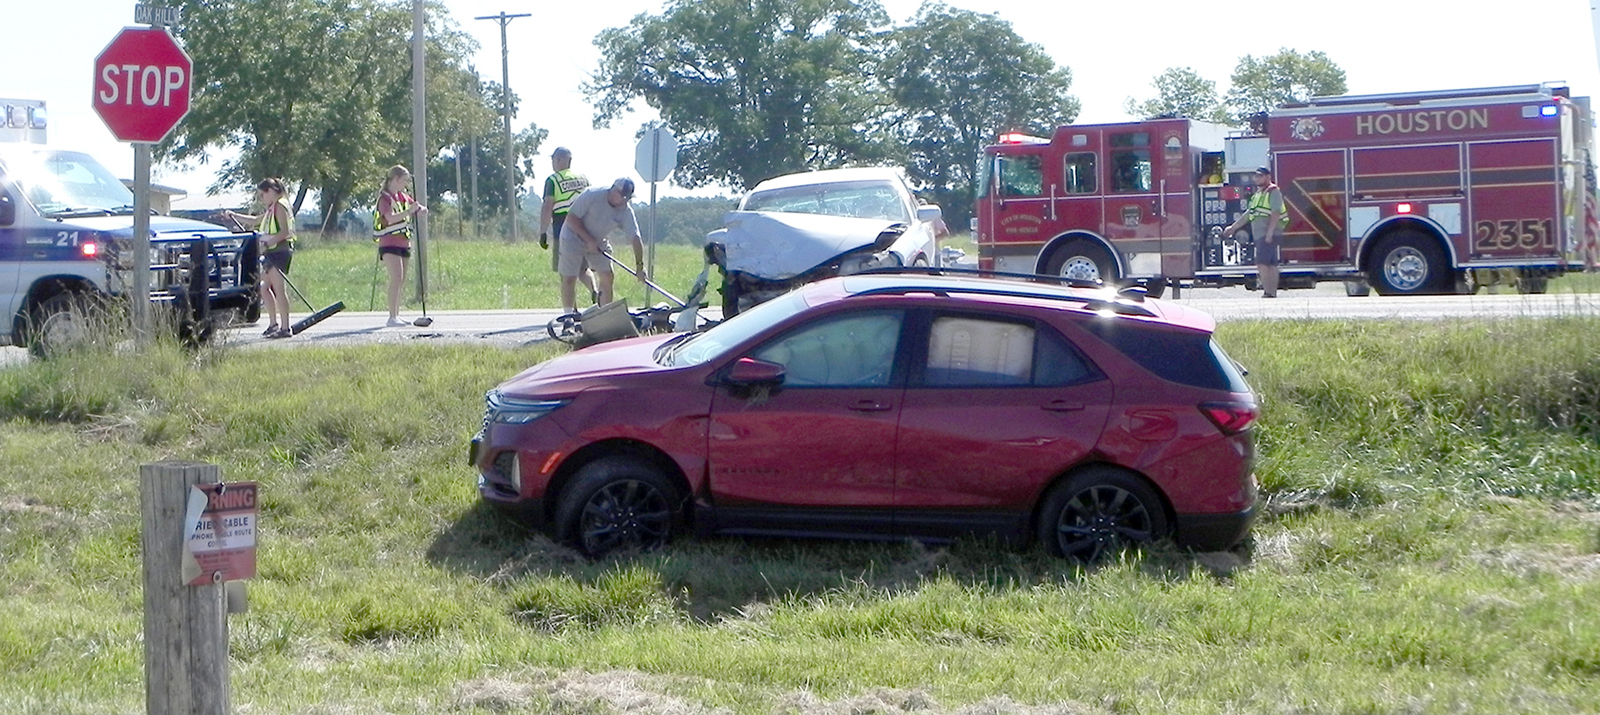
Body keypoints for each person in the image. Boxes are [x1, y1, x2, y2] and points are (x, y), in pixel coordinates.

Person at [559, 178, 645, 314]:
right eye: (623, 197)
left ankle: (604, 314)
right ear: (613, 190)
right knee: (570, 277)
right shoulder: (592, 195)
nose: (624, 201)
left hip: (598, 240)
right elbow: (571, 218)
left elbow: (635, 237)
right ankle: (568, 316)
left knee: (607, 275)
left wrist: (640, 266)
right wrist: (589, 240)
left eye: (628, 198)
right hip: (573, 236)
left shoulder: (626, 211)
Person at [227, 178, 295, 338]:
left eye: (262, 195)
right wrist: (234, 216)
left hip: (279, 251)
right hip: (271, 252)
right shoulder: (272, 208)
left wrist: (267, 243)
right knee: (264, 288)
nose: (261, 199)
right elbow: (256, 221)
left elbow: (285, 232)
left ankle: (285, 327)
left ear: (270, 191)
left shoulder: (280, 206)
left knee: (278, 289)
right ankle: (273, 324)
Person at [539, 147, 597, 302]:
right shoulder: (584, 179)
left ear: (560, 160)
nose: (553, 163)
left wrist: (543, 232)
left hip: (563, 229)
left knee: (566, 273)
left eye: (553, 160)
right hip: (585, 229)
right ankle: (595, 291)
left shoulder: (553, 180)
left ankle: (572, 308)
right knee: (583, 268)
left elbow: (547, 206)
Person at [373, 165, 428, 327]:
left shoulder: (403, 197)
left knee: (401, 279)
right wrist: (409, 211)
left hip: (404, 242)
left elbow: (414, 207)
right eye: (404, 180)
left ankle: (397, 314)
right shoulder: (385, 199)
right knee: (396, 277)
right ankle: (392, 317)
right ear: (396, 179)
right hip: (389, 243)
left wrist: (420, 209)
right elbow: (390, 218)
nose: (406, 184)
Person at [1222, 166, 1288, 298]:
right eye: (1256, 176)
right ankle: (1272, 293)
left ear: (1268, 177)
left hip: (1267, 233)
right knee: (1271, 263)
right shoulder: (1258, 194)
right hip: (1261, 234)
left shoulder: (1273, 191)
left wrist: (1270, 232)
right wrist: (1233, 228)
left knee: (1261, 263)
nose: (1257, 178)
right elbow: (1248, 214)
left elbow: (1276, 212)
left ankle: (1268, 292)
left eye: (1260, 176)